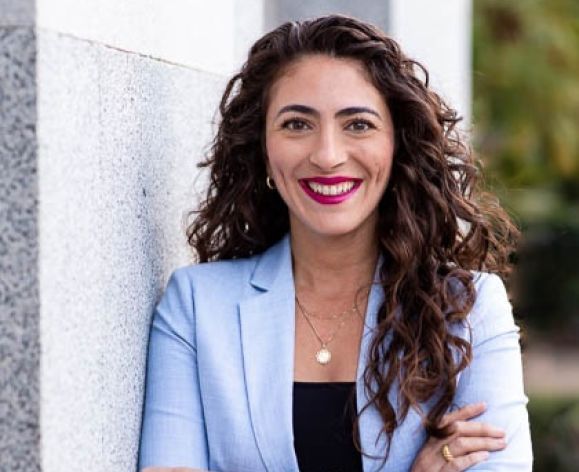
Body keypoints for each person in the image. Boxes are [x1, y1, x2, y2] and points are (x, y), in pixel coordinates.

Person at [138, 14, 533, 472]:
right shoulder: (195, 307)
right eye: (296, 125)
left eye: (358, 125)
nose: (327, 155)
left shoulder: (468, 310)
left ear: (397, 145)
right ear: (262, 146)